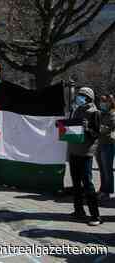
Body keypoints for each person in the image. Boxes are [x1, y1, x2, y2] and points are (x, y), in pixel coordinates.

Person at [68, 87, 102, 226]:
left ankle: (95, 216)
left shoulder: (95, 112)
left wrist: (87, 128)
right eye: (78, 95)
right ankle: (79, 211)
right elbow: (72, 128)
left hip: (85, 152)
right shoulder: (76, 110)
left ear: (88, 97)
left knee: (87, 183)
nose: (79, 97)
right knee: (76, 183)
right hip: (74, 150)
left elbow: (96, 133)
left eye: (81, 95)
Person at [98, 95, 115, 201]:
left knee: (107, 169)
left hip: (108, 144)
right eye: (101, 101)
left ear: (110, 102)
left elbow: (111, 129)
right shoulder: (100, 114)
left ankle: (107, 191)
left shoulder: (113, 114)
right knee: (102, 169)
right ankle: (102, 189)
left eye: (105, 101)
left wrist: (102, 128)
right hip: (99, 144)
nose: (102, 103)